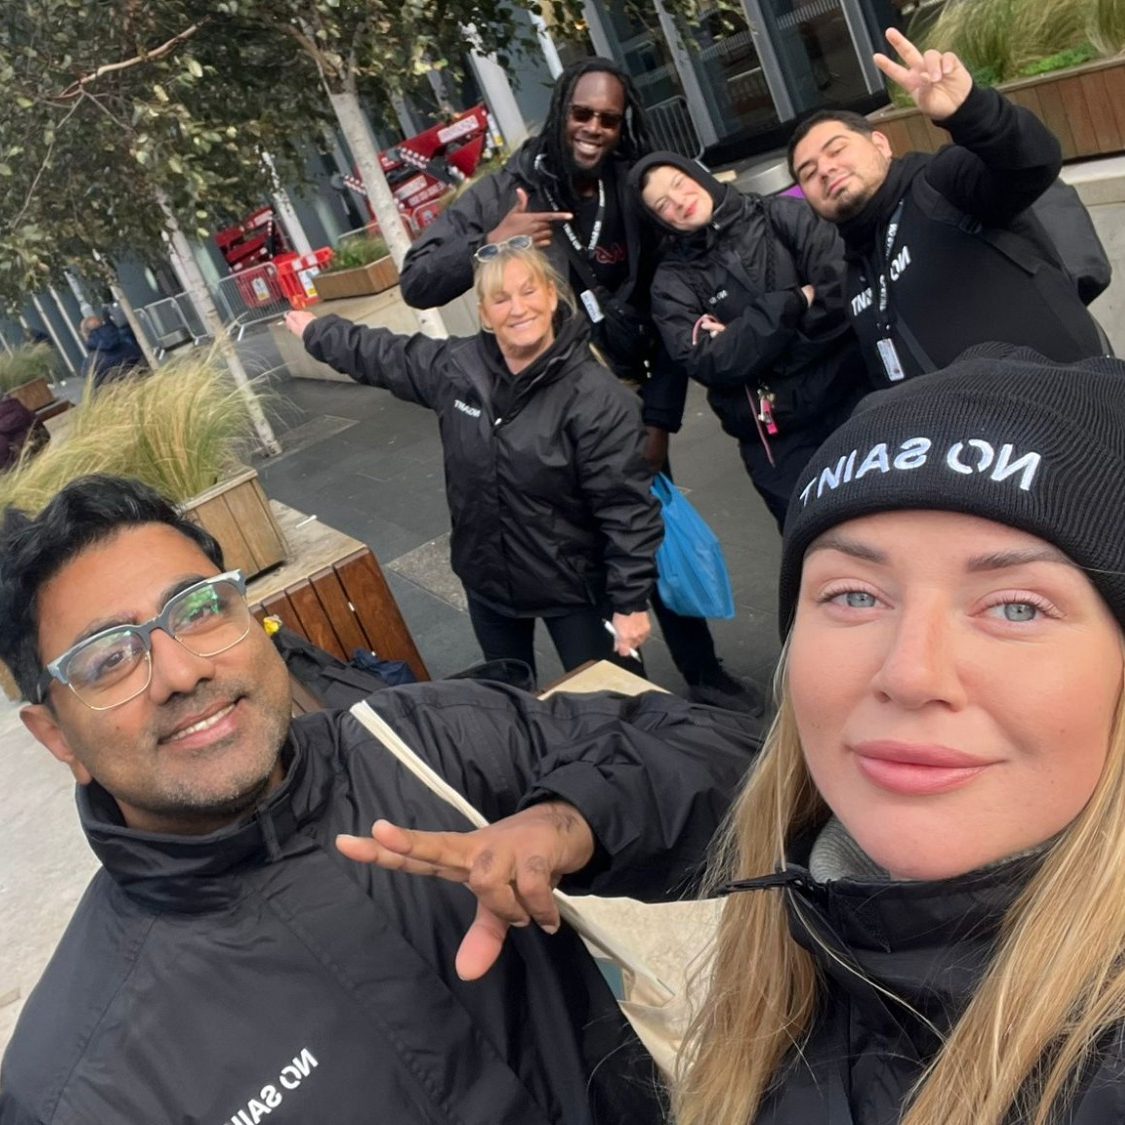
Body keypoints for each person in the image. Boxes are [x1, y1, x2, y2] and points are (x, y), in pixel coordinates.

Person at [0, 474, 759, 1125]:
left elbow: (738, 759)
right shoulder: (81, 1085)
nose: (179, 671)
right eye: (109, 658)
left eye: (198, 609)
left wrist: (575, 816)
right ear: (56, 737)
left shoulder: (423, 742)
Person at [672, 345, 1125, 1125]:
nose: (910, 673)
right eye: (854, 595)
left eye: (1016, 606)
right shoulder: (795, 920)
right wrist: (573, 805)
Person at [399, 57, 761, 713]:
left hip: (627, 408)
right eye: (582, 113)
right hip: (538, 419)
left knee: (648, 539)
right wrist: (489, 241)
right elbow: (417, 281)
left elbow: (671, 307)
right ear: (561, 108)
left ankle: (702, 672)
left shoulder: (635, 184)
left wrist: (659, 420)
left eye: (608, 119)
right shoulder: (506, 192)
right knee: (580, 570)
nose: (593, 128)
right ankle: (624, 703)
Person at [287, 241, 659, 681]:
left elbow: (626, 509)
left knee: (612, 699)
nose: (517, 308)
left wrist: (630, 602)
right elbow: (385, 355)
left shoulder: (596, 398)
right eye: (501, 299)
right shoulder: (459, 370)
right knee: (507, 699)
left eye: (528, 291)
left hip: (573, 587)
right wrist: (318, 333)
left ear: (552, 296)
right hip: (489, 583)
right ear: (484, 314)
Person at [787, 28, 1107, 386]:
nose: (825, 169)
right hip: (959, 422)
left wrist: (972, 111)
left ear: (880, 144)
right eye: (808, 172)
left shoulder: (939, 184)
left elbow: (1032, 162)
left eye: (837, 149)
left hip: (1067, 400)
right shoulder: (853, 275)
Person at [630, 152, 869, 529]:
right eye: (662, 204)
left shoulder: (782, 216)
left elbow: (838, 294)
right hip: (776, 440)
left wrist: (754, 349)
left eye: (679, 184)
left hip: (855, 398)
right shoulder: (671, 283)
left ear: (698, 175)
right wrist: (792, 303)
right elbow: (710, 362)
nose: (678, 200)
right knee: (822, 544)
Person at [78, 314, 145, 387]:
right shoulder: (128, 345)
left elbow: (90, 387)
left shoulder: (89, 364)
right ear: (103, 325)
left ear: (86, 335)